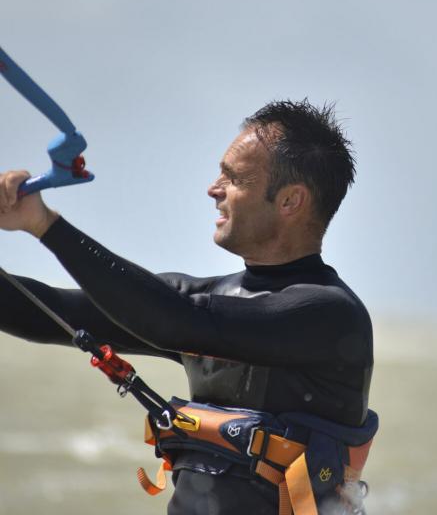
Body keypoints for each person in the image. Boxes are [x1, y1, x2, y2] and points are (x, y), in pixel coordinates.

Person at [0, 99, 374, 515]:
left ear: (290, 201)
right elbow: (42, 311)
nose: (213, 189)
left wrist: (44, 225)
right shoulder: (199, 302)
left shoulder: (329, 316)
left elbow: (176, 322)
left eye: (234, 178)